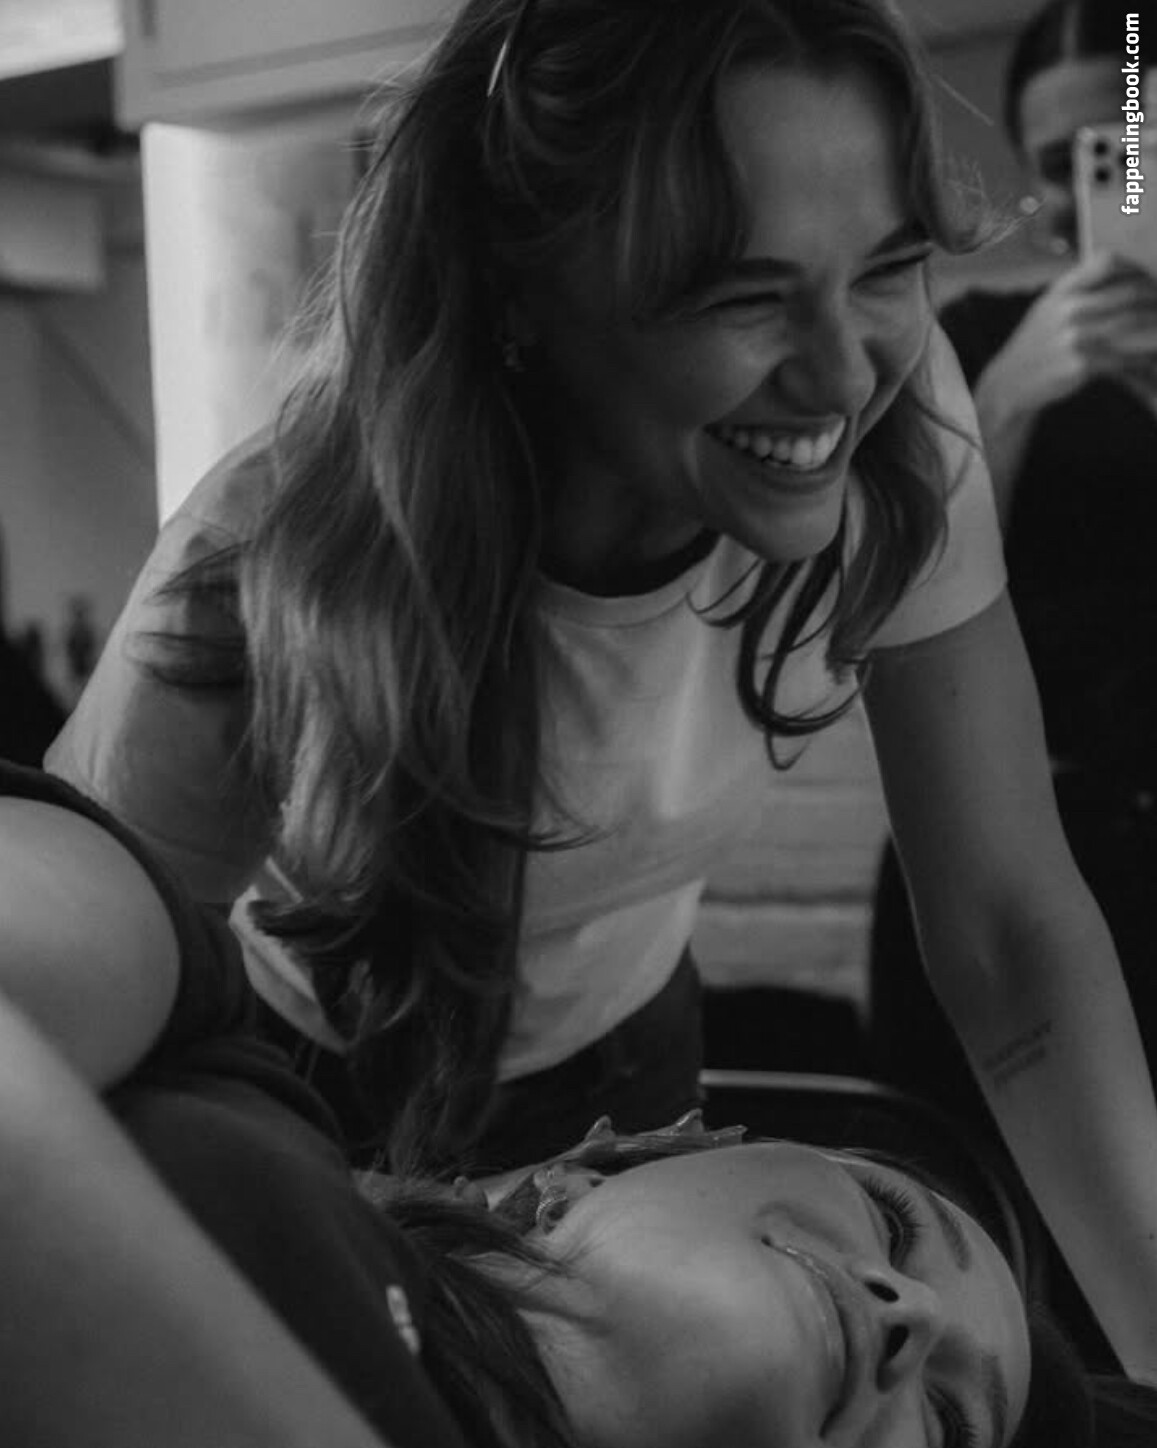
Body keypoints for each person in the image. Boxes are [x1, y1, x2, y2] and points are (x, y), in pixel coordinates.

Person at [41, 0, 1157, 1384]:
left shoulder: (894, 427)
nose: (842, 370)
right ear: (518, 288)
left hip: (627, 1044)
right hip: (290, 1065)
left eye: (886, 267)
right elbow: (59, 1073)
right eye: (743, 293)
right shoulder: (259, 575)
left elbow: (1005, 933)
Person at [4, 759, 1157, 1448]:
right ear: (632, 1150)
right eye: (894, 1223)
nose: (910, 1314)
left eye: (947, 1430)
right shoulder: (207, 1025)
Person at [868, 0, 1157, 1359]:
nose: (1089, 186)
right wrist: (1015, 395)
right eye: (1060, 161)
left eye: (1122, 151)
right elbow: (900, 570)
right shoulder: (975, 338)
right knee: (1010, 1275)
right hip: (1018, 830)